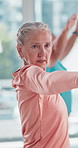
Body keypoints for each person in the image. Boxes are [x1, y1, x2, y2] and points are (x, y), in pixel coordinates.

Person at [12, 21, 78, 148]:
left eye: (47, 45)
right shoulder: (28, 74)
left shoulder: (41, 73)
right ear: (20, 50)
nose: (43, 53)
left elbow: (57, 54)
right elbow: (48, 82)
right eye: (35, 46)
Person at [46, 14, 78, 115]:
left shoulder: (56, 61)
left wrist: (75, 31)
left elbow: (66, 48)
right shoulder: (45, 62)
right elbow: (57, 49)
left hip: (63, 115)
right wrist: (65, 30)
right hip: (55, 115)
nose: (56, 37)